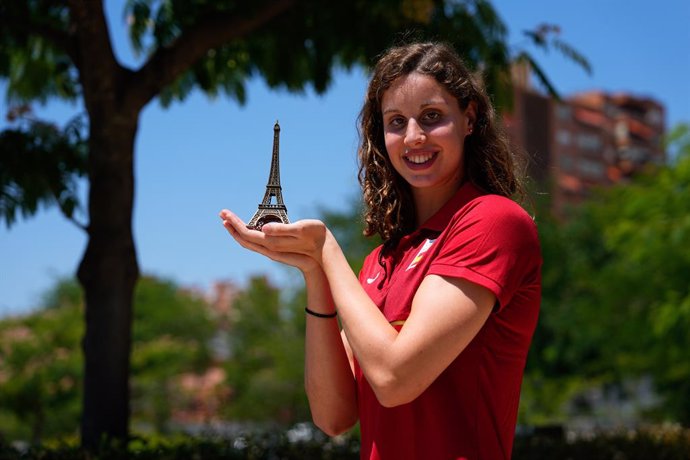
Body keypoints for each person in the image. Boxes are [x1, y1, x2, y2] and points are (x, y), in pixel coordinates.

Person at [220, 41, 541, 460]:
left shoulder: (494, 222)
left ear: (469, 118)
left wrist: (328, 251)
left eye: (431, 117)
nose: (413, 137)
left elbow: (394, 378)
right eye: (396, 122)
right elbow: (332, 416)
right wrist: (316, 273)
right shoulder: (381, 261)